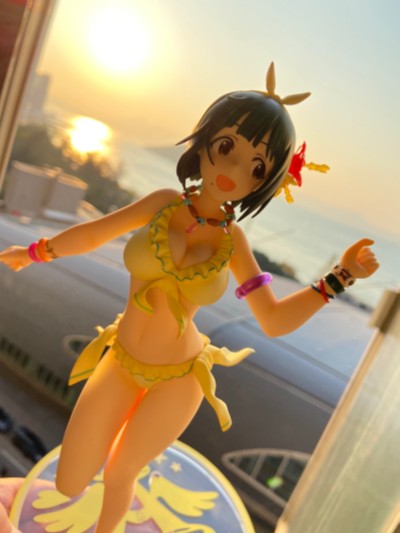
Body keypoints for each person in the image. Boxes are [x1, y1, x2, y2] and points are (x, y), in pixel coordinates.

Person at [0, 63, 379, 532]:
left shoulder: (233, 243)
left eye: (256, 167)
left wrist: (341, 276)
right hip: (121, 359)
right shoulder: (162, 204)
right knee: (70, 480)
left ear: (266, 182)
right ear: (205, 140)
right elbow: (95, 233)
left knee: (120, 473)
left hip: (179, 378)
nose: (234, 171)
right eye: (227, 147)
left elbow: (274, 319)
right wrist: (33, 252)